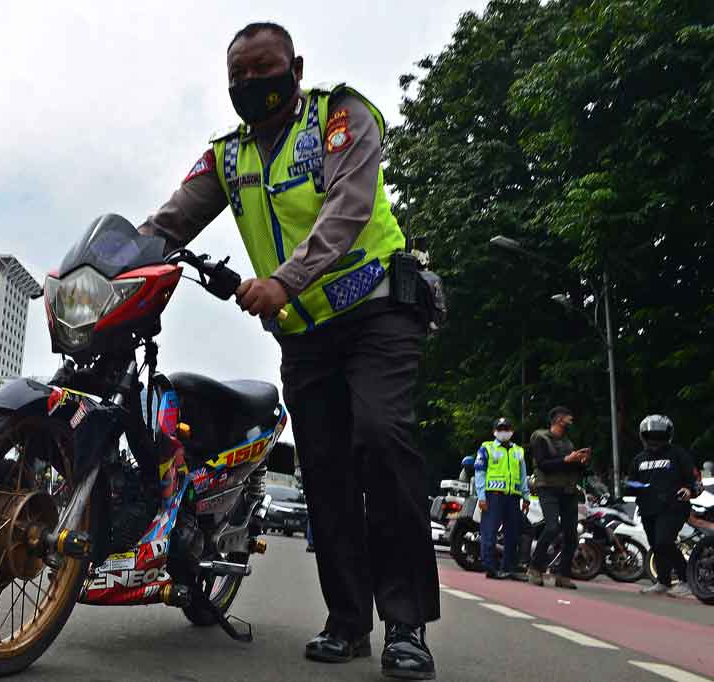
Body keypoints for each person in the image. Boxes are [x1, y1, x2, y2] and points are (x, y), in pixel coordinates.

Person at [139, 21, 439, 680]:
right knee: (326, 471)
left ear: (295, 67)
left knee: (382, 440)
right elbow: (168, 224)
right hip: (306, 335)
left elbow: (348, 207)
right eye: (237, 76)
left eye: (263, 68)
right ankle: (348, 621)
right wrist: (107, 266)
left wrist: (283, 281)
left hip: (376, 313)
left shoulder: (340, 117)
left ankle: (407, 624)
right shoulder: (228, 156)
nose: (251, 83)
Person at [629, 415, 701, 597]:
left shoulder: (678, 454)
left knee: (664, 541)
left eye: (659, 436)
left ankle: (687, 579)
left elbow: (695, 480)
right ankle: (663, 581)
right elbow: (631, 484)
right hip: (647, 509)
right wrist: (636, 489)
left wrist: (689, 490)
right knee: (656, 545)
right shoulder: (639, 459)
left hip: (673, 508)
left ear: (667, 436)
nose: (655, 440)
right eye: (651, 436)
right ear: (644, 436)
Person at [525, 406, 591, 589]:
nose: (571, 420)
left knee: (571, 533)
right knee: (552, 526)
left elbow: (573, 468)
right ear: (558, 419)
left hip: (568, 490)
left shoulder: (568, 442)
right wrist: (566, 460)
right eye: (568, 417)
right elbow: (543, 464)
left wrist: (582, 462)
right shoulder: (541, 438)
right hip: (548, 488)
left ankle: (563, 574)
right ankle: (534, 567)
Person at [474, 418, 531, 580]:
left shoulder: (518, 451)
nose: (504, 431)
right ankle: (490, 568)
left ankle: (509, 568)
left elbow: (523, 475)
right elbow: (480, 473)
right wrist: (481, 496)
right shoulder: (487, 448)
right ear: (494, 431)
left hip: (513, 497)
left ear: (512, 431)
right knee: (489, 532)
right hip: (493, 496)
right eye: (501, 428)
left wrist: (526, 497)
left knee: (513, 534)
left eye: (507, 428)